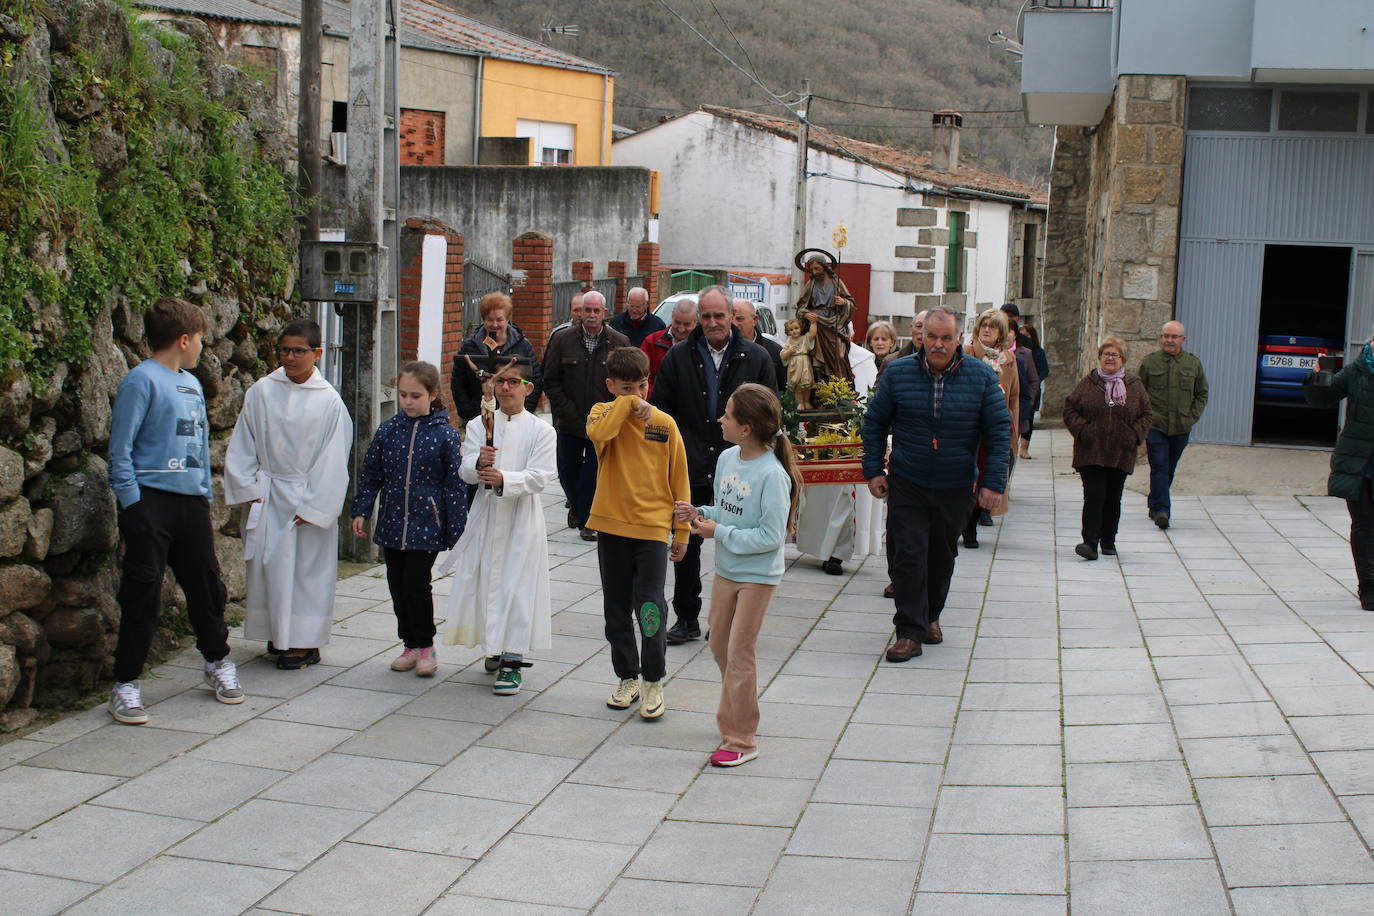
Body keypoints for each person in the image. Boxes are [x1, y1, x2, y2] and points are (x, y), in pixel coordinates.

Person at [106, 297, 242, 724]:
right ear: (184, 340)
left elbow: (199, 445)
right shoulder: (140, 381)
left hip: (190, 505)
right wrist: (134, 504)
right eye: (201, 339)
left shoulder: (192, 384)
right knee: (143, 592)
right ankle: (125, 684)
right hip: (150, 502)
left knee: (206, 586)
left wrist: (203, 494)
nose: (203, 347)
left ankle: (216, 662)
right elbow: (120, 450)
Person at [862, 307, 1010, 663]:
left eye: (946, 337)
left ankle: (931, 615)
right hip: (909, 479)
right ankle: (909, 631)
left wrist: (993, 483)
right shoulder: (898, 373)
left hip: (956, 483)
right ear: (921, 337)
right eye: (932, 337)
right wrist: (873, 470)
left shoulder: (981, 377)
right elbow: (874, 423)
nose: (939, 345)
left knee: (941, 555)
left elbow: (998, 431)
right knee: (908, 554)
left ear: (959, 338)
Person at [674, 383, 800, 768]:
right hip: (728, 570)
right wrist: (700, 513)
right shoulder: (728, 458)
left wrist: (718, 533)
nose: (720, 419)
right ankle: (740, 706)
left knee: (740, 653)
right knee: (719, 646)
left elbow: (771, 537)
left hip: (758, 576)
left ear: (745, 428)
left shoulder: (773, 475)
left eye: (727, 415)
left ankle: (742, 738)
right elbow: (728, 510)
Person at [649, 285, 778, 644]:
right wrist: (665, 459)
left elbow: (771, 410)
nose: (712, 322)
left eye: (719, 315)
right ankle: (687, 617)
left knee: (734, 542)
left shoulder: (755, 357)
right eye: (705, 316)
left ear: (732, 317)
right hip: (689, 464)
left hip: (739, 468)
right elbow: (661, 412)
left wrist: (762, 457)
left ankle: (731, 620)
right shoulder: (678, 357)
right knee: (686, 542)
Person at [224, 319, 353, 670]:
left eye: (299, 351)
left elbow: (334, 458)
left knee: (305, 573)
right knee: (268, 568)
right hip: (269, 491)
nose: (290, 357)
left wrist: (315, 505)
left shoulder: (329, 403)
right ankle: (277, 634)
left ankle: (304, 643)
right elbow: (244, 441)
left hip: (304, 496)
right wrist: (249, 487)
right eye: (285, 350)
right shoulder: (262, 391)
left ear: (318, 353)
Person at [586, 347, 691, 718]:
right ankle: (627, 676)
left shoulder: (664, 423)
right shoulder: (603, 412)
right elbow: (600, 432)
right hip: (610, 524)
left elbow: (679, 478)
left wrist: (682, 532)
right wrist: (626, 404)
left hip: (651, 528)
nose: (637, 393)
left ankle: (653, 680)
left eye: (642, 386)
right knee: (615, 609)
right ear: (611, 385)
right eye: (627, 387)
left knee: (650, 607)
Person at [443, 358, 557, 693]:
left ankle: (512, 657)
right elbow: (463, 469)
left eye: (513, 382)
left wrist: (505, 477)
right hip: (487, 515)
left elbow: (541, 476)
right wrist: (479, 465)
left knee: (517, 586)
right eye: (501, 382)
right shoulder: (480, 425)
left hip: (521, 518)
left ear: (528, 388)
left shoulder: (541, 430)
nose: (506, 388)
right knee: (485, 581)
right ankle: (493, 644)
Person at [350, 362, 467, 676]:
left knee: (416, 584)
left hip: (426, 526)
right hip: (392, 522)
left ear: (432, 395)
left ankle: (426, 645)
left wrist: (456, 530)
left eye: (415, 395)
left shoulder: (445, 435)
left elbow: (454, 484)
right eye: (403, 395)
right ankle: (409, 644)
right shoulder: (388, 429)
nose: (407, 401)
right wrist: (362, 509)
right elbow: (372, 472)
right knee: (396, 585)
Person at [542, 290, 630, 541]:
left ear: (604, 312)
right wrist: (565, 411)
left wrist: (612, 414)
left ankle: (587, 520)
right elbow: (551, 379)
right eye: (586, 310)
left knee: (593, 473)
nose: (591, 315)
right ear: (580, 312)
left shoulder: (620, 342)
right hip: (569, 420)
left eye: (596, 310)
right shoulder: (561, 339)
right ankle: (576, 503)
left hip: (602, 423)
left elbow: (624, 383)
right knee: (567, 471)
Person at [1063, 338, 1153, 561]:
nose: (1110, 358)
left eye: (1115, 355)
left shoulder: (1134, 385)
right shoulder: (1088, 383)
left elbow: (1147, 414)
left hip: (1121, 451)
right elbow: (1070, 409)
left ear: (1122, 359)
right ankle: (1089, 543)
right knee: (1094, 496)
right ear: (1100, 357)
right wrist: (1084, 431)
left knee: (1113, 498)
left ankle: (1108, 540)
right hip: (1091, 451)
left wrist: (1133, 435)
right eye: (1106, 354)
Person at [1306, 335, 1374, 610]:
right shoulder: (1357, 370)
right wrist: (1318, 377)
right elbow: (1323, 398)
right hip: (1359, 465)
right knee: (1364, 528)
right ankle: (1369, 588)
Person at [1139, 320, 1208, 530]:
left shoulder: (1193, 364)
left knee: (1169, 468)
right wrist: (1145, 418)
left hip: (1180, 427)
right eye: (1166, 336)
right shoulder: (1149, 363)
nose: (1169, 340)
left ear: (1182, 340)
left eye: (1174, 336)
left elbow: (1202, 393)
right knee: (1159, 465)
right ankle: (1162, 510)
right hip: (1156, 425)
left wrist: (1191, 417)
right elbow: (1138, 393)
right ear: (1161, 337)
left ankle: (1154, 501)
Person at [961, 308, 1020, 549]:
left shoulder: (1008, 360)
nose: (986, 329)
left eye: (992, 326)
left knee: (985, 475)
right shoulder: (965, 353)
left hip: (993, 427)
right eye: (984, 324)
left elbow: (1014, 397)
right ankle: (962, 523)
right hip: (967, 426)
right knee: (965, 476)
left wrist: (1013, 430)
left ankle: (973, 525)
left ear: (1000, 333)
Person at [451, 292, 541, 424]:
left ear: (507, 319)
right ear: (483, 319)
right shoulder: (470, 346)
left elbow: (536, 380)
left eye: (499, 319)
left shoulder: (523, 346)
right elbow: (458, 382)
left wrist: (523, 411)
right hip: (478, 415)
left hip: (514, 416)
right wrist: (468, 412)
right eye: (489, 319)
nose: (494, 324)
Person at [795, 254, 855, 384]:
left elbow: (851, 303)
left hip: (834, 324)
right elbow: (800, 307)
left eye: (817, 268)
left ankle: (840, 390)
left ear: (824, 267)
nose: (814, 272)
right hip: (816, 326)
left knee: (839, 355)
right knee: (816, 361)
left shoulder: (836, 282)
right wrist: (805, 314)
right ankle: (821, 391)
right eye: (812, 270)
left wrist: (843, 302)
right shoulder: (811, 284)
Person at [642, 299, 697, 391]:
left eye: (687, 324)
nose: (681, 328)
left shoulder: (703, 345)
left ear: (696, 322)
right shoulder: (651, 342)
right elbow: (642, 377)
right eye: (677, 322)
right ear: (672, 317)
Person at [732, 298, 786, 391]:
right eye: (730, 319)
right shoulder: (722, 349)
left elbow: (783, 390)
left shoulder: (774, 351)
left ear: (755, 320)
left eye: (739, 319)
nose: (734, 324)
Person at [779, 318, 817, 409]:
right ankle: (800, 403)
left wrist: (813, 323)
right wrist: (790, 351)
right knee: (798, 386)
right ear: (787, 332)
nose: (794, 331)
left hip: (805, 364)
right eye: (791, 330)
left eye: (796, 328)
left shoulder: (805, 338)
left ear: (801, 328)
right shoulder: (789, 342)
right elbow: (783, 355)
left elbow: (812, 334)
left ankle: (807, 401)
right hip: (794, 366)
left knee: (807, 384)